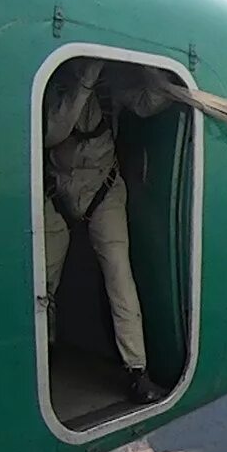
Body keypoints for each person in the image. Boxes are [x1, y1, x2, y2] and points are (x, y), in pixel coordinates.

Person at [42, 58, 174, 404]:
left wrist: (151, 72)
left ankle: (137, 371)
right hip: (58, 191)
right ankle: (44, 353)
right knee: (44, 283)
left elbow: (150, 104)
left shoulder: (111, 85)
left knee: (120, 278)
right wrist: (83, 81)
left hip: (104, 189)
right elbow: (53, 132)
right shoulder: (53, 83)